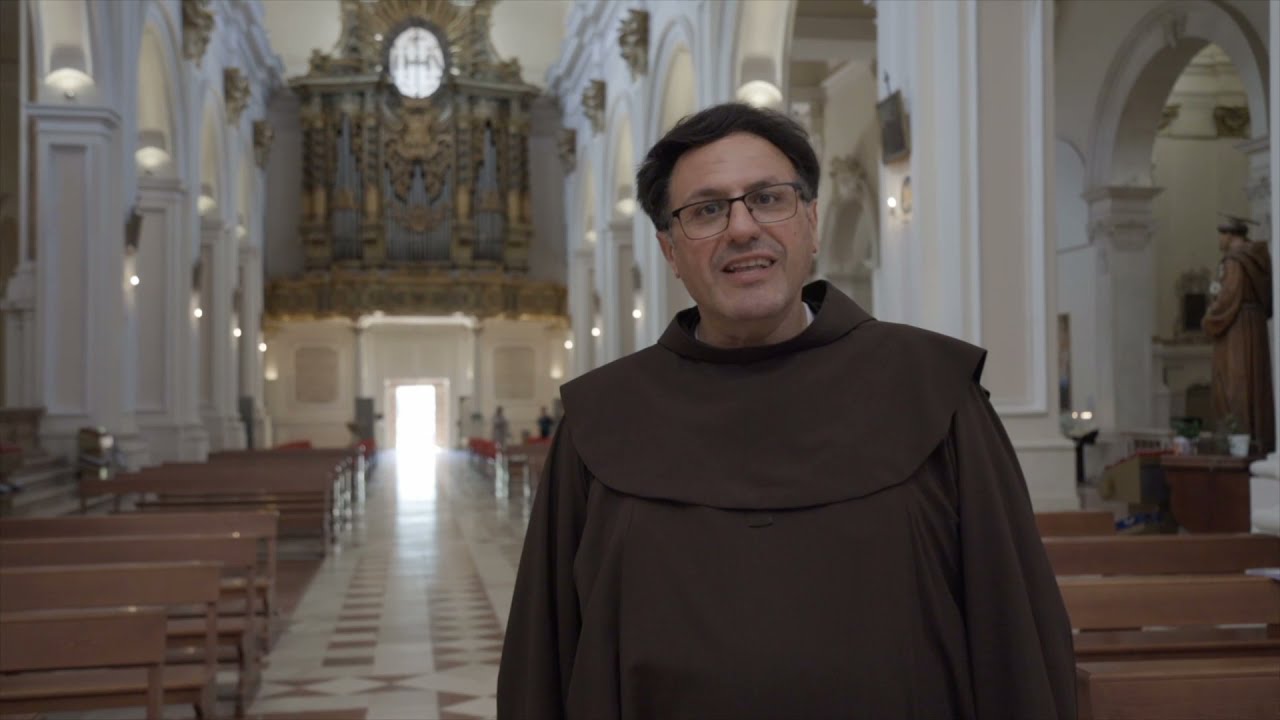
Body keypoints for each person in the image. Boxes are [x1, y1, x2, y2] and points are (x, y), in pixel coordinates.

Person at [497, 103, 1075, 719]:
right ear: (669, 249)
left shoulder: (933, 390)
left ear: (813, 222)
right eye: (707, 210)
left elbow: (1012, 629)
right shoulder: (601, 419)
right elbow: (546, 657)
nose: (742, 229)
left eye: (769, 198)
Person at [1202, 215, 1274, 452]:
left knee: (1234, 384)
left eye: (1221, 235)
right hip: (1255, 325)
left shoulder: (1234, 261)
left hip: (1236, 328)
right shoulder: (1258, 258)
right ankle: (1259, 437)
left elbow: (1228, 296)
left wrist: (1209, 318)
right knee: (1255, 382)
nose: (1219, 240)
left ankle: (1237, 442)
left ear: (1231, 235)